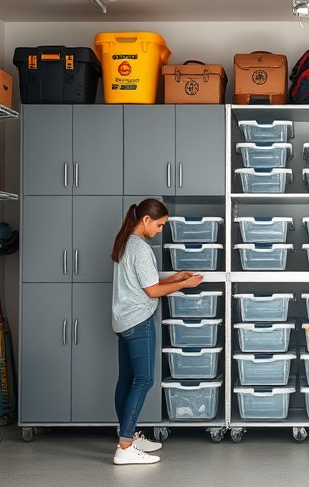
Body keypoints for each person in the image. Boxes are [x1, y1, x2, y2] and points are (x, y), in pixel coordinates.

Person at [110, 199, 203, 465]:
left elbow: (145, 283)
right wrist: (185, 286)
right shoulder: (140, 247)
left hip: (122, 321)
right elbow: (151, 292)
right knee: (143, 381)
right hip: (138, 320)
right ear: (147, 220)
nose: (160, 230)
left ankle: (127, 434)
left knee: (126, 380)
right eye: (160, 225)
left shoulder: (125, 241)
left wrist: (174, 278)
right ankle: (125, 447)